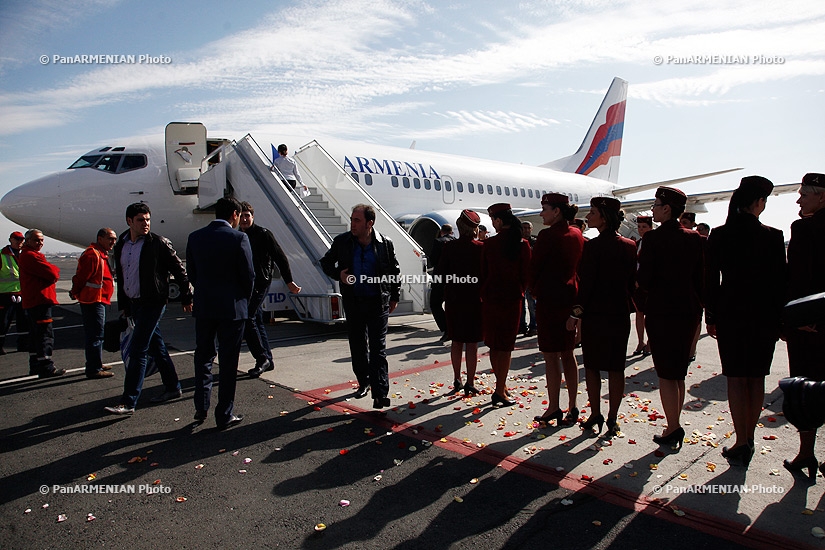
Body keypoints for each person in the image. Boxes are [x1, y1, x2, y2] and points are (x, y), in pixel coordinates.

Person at [704, 176, 785, 468]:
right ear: (758, 203)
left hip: (732, 313)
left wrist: (710, 315)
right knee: (756, 378)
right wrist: (781, 320)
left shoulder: (720, 234)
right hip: (764, 315)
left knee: (737, 378)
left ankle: (741, 440)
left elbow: (711, 280)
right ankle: (749, 437)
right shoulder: (774, 236)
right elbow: (780, 284)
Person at [105, 203, 192, 415]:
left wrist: (186, 296)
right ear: (129, 221)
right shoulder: (122, 245)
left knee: (138, 350)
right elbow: (125, 277)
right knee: (157, 348)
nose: (146, 224)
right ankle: (173, 388)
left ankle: (128, 402)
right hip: (135, 304)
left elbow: (180, 271)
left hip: (154, 302)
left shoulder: (158, 243)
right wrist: (125, 306)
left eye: (148, 220)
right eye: (140, 220)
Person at [637, 186, 704, 449]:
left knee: (666, 373)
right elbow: (700, 279)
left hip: (662, 311)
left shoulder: (653, 239)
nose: (652, 209)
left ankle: (673, 426)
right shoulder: (695, 238)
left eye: (655, 205)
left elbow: (644, 278)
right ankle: (675, 423)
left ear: (666, 209)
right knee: (679, 372)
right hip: (686, 312)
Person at [320, 204, 401, 409]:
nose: (352, 224)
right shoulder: (343, 242)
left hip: (377, 302)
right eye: (352, 219)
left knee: (378, 350)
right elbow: (326, 263)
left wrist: (394, 296)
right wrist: (339, 274)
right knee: (357, 347)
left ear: (369, 223)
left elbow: (394, 270)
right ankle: (363, 382)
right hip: (354, 302)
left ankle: (380, 393)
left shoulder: (385, 243)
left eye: (357, 220)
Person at [570, 197, 636, 436]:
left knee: (593, 367)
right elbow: (632, 284)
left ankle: (595, 413)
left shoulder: (592, 247)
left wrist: (575, 315)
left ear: (604, 217)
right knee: (617, 368)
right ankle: (612, 418)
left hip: (595, 316)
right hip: (618, 315)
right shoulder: (630, 246)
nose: (588, 217)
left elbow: (585, 287)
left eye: (593, 213)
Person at [187, 197, 254, 428]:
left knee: (203, 356)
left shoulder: (195, 237)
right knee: (228, 362)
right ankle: (224, 413)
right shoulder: (239, 238)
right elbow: (248, 275)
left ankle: (201, 406)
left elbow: (192, 274)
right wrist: (242, 299)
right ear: (235, 214)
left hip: (205, 306)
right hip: (232, 309)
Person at [783, 173, 825, 479]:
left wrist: (797, 318)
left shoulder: (804, 228)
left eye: (804, 195)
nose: (799, 200)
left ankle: (806, 452)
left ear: (821, 197)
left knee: (805, 390)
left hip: (809, 326)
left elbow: (796, 279)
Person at [529, 194, 584, 424]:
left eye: (545, 209)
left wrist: (533, 289)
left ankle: (553, 406)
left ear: (557, 211)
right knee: (568, 354)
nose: (542, 214)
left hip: (550, 302)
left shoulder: (547, 235)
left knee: (551, 357)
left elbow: (535, 268)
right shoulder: (577, 234)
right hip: (570, 300)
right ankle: (573, 405)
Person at [238, 202, 302, 377]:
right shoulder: (237, 236)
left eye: (247, 216)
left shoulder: (263, 234)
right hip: (245, 285)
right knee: (257, 320)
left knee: (248, 318)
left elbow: (280, 258)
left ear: (253, 217)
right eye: (241, 216)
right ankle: (268, 360)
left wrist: (289, 281)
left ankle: (261, 359)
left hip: (260, 283)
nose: (244, 219)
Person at [481, 203, 531, 407]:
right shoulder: (522, 244)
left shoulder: (490, 244)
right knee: (506, 346)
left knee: (494, 343)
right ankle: (500, 389)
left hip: (492, 298)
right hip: (512, 299)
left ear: (499, 221)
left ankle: (499, 387)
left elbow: (482, 273)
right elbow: (526, 275)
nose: (492, 224)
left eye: (493, 220)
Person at [436, 210, 484, 396]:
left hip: (455, 299)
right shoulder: (481, 248)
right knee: (472, 344)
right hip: (475, 300)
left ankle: (457, 378)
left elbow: (440, 274)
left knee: (456, 341)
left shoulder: (450, 247)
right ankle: (470, 382)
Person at [70, 228, 118, 379]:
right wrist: (74, 291)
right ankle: (93, 368)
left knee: (97, 334)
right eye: (110, 238)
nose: (113, 242)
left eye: (114, 239)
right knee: (95, 335)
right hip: (93, 300)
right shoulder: (93, 255)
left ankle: (96, 362)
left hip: (98, 299)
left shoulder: (100, 254)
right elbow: (81, 277)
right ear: (100, 238)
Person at [18, 229, 65, 378]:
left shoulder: (29, 255)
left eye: (42, 240)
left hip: (33, 301)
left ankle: (36, 365)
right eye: (37, 240)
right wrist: (54, 270)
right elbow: (53, 274)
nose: (40, 243)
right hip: (39, 301)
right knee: (44, 334)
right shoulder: (30, 256)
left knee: (35, 335)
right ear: (28, 241)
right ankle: (46, 367)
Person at [0, 231, 27, 354]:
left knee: (23, 321)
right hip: (6, 294)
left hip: (22, 293)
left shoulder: (24, 254)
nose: (19, 242)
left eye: (21, 239)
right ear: (10, 239)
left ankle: (23, 344)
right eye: (17, 239)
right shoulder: (2, 255)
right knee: (4, 322)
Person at [429, 224, 455, 342]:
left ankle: (447, 328)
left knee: (435, 304)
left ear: (441, 231)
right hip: (454, 278)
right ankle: (454, 328)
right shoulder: (456, 242)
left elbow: (433, 260)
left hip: (440, 278)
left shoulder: (438, 241)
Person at [632, 216, 653, 356]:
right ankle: (640, 341)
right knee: (639, 313)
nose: (641, 230)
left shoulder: (654, 243)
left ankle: (650, 343)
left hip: (650, 285)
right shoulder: (636, 243)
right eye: (639, 227)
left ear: (651, 227)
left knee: (650, 315)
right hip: (637, 285)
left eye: (644, 227)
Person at [520, 221, 537, 337]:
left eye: (528, 228)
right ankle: (522, 326)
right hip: (521, 277)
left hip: (531, 277)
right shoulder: (518, 242)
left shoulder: (535, 242)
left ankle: (534, 326)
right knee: (521, 305)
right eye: (524, 228)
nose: (526, 230)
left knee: (532, 304)